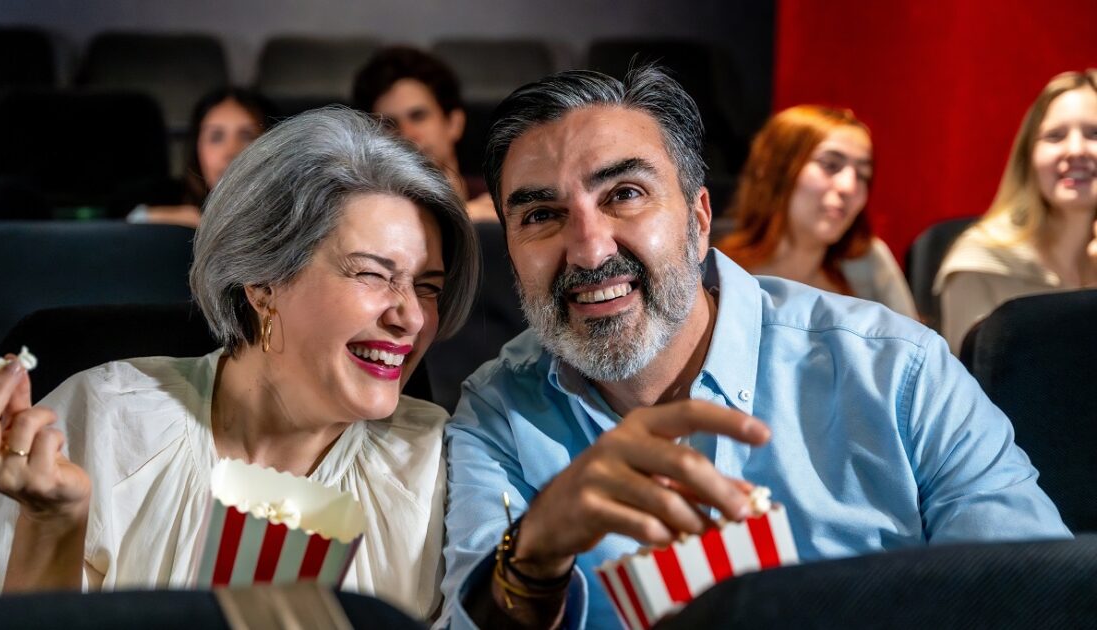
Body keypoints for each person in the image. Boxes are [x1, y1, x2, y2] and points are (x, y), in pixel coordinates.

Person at [440, 67, 1069, 629]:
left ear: (699, 219)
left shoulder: (899, 373)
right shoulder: (499, 414)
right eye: (540, 215)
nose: (589, 249)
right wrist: (534, 557)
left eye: (624, 194)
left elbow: (1042, 598)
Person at [0, 108, 480, 621]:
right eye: (372, 274)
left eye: (428, 287)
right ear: (263, 282)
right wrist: (52, 524)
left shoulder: (443, 465)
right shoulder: (97, 420)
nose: (412, 317)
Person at [935, 69, 1097, 354]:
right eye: (1055, 136)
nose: (1076, 150)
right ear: (1028, 157)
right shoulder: (979, 264)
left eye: (1094, 133)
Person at [718, 105, 916, 318]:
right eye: (830, 165)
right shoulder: (714, 264)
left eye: (862, 175)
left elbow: (912, 337)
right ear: (775, 169)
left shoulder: (867, 260)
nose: (849, 187)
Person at [353, 46, 498, 223]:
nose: (406, 134)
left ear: (454, 123)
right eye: (389, 124)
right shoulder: (359, 214)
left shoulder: (500, 199)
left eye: (418, 116)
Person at [127, 87, 277, 228]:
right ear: (197, 147)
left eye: (247, 136)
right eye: (216, 137)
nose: (230, 152)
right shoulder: (166, 198)